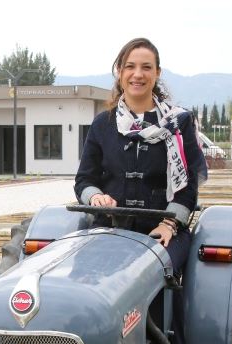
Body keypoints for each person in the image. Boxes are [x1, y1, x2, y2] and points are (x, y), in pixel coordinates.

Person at [74, 37, 207, 275]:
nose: (138, 74)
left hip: (164, 229)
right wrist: (96, 198)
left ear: (157, 73)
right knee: (82, 272)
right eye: (130, 66)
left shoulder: (178, 123)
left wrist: (169, 224)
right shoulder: (102, 123)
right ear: (119, 72)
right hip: (108, 227)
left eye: (146, 67)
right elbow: (84, 180)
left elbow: (188, 186)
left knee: (152, 273)